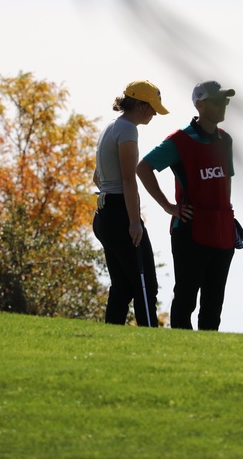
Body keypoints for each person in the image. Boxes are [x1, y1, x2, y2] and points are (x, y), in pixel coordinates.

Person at [137, 80, 236, 331]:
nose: (223, 105)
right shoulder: (179, 140)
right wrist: (168, 206)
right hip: (190, 230)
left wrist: (227, 214)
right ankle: (180, 349)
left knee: (214, 303)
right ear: (200, 105)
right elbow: (143, 168)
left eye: (225, 101)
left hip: (221, 230)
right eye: (217, 101)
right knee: (186, 297)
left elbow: (226, 181)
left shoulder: (225, 139)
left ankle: (206, 352)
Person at [92, 80, 170, 327]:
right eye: (152, 108)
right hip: (120, 214)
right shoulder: (127, 130)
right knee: (145, 284)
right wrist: (134, 221)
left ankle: (111, 334)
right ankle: (150, 338)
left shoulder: (111, 127)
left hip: (104, 213)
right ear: (140, 105)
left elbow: (96, 177)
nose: (154, 114)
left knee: (122, 286)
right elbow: (128, 178)